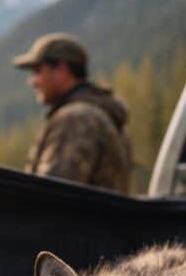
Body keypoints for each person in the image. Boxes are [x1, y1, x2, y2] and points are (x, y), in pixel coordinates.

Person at [13, 33, 132, 193]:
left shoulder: (76, 119)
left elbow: (50, 196)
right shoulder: (102, 115)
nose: (33, 81)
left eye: (38, 71)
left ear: (61, 71)